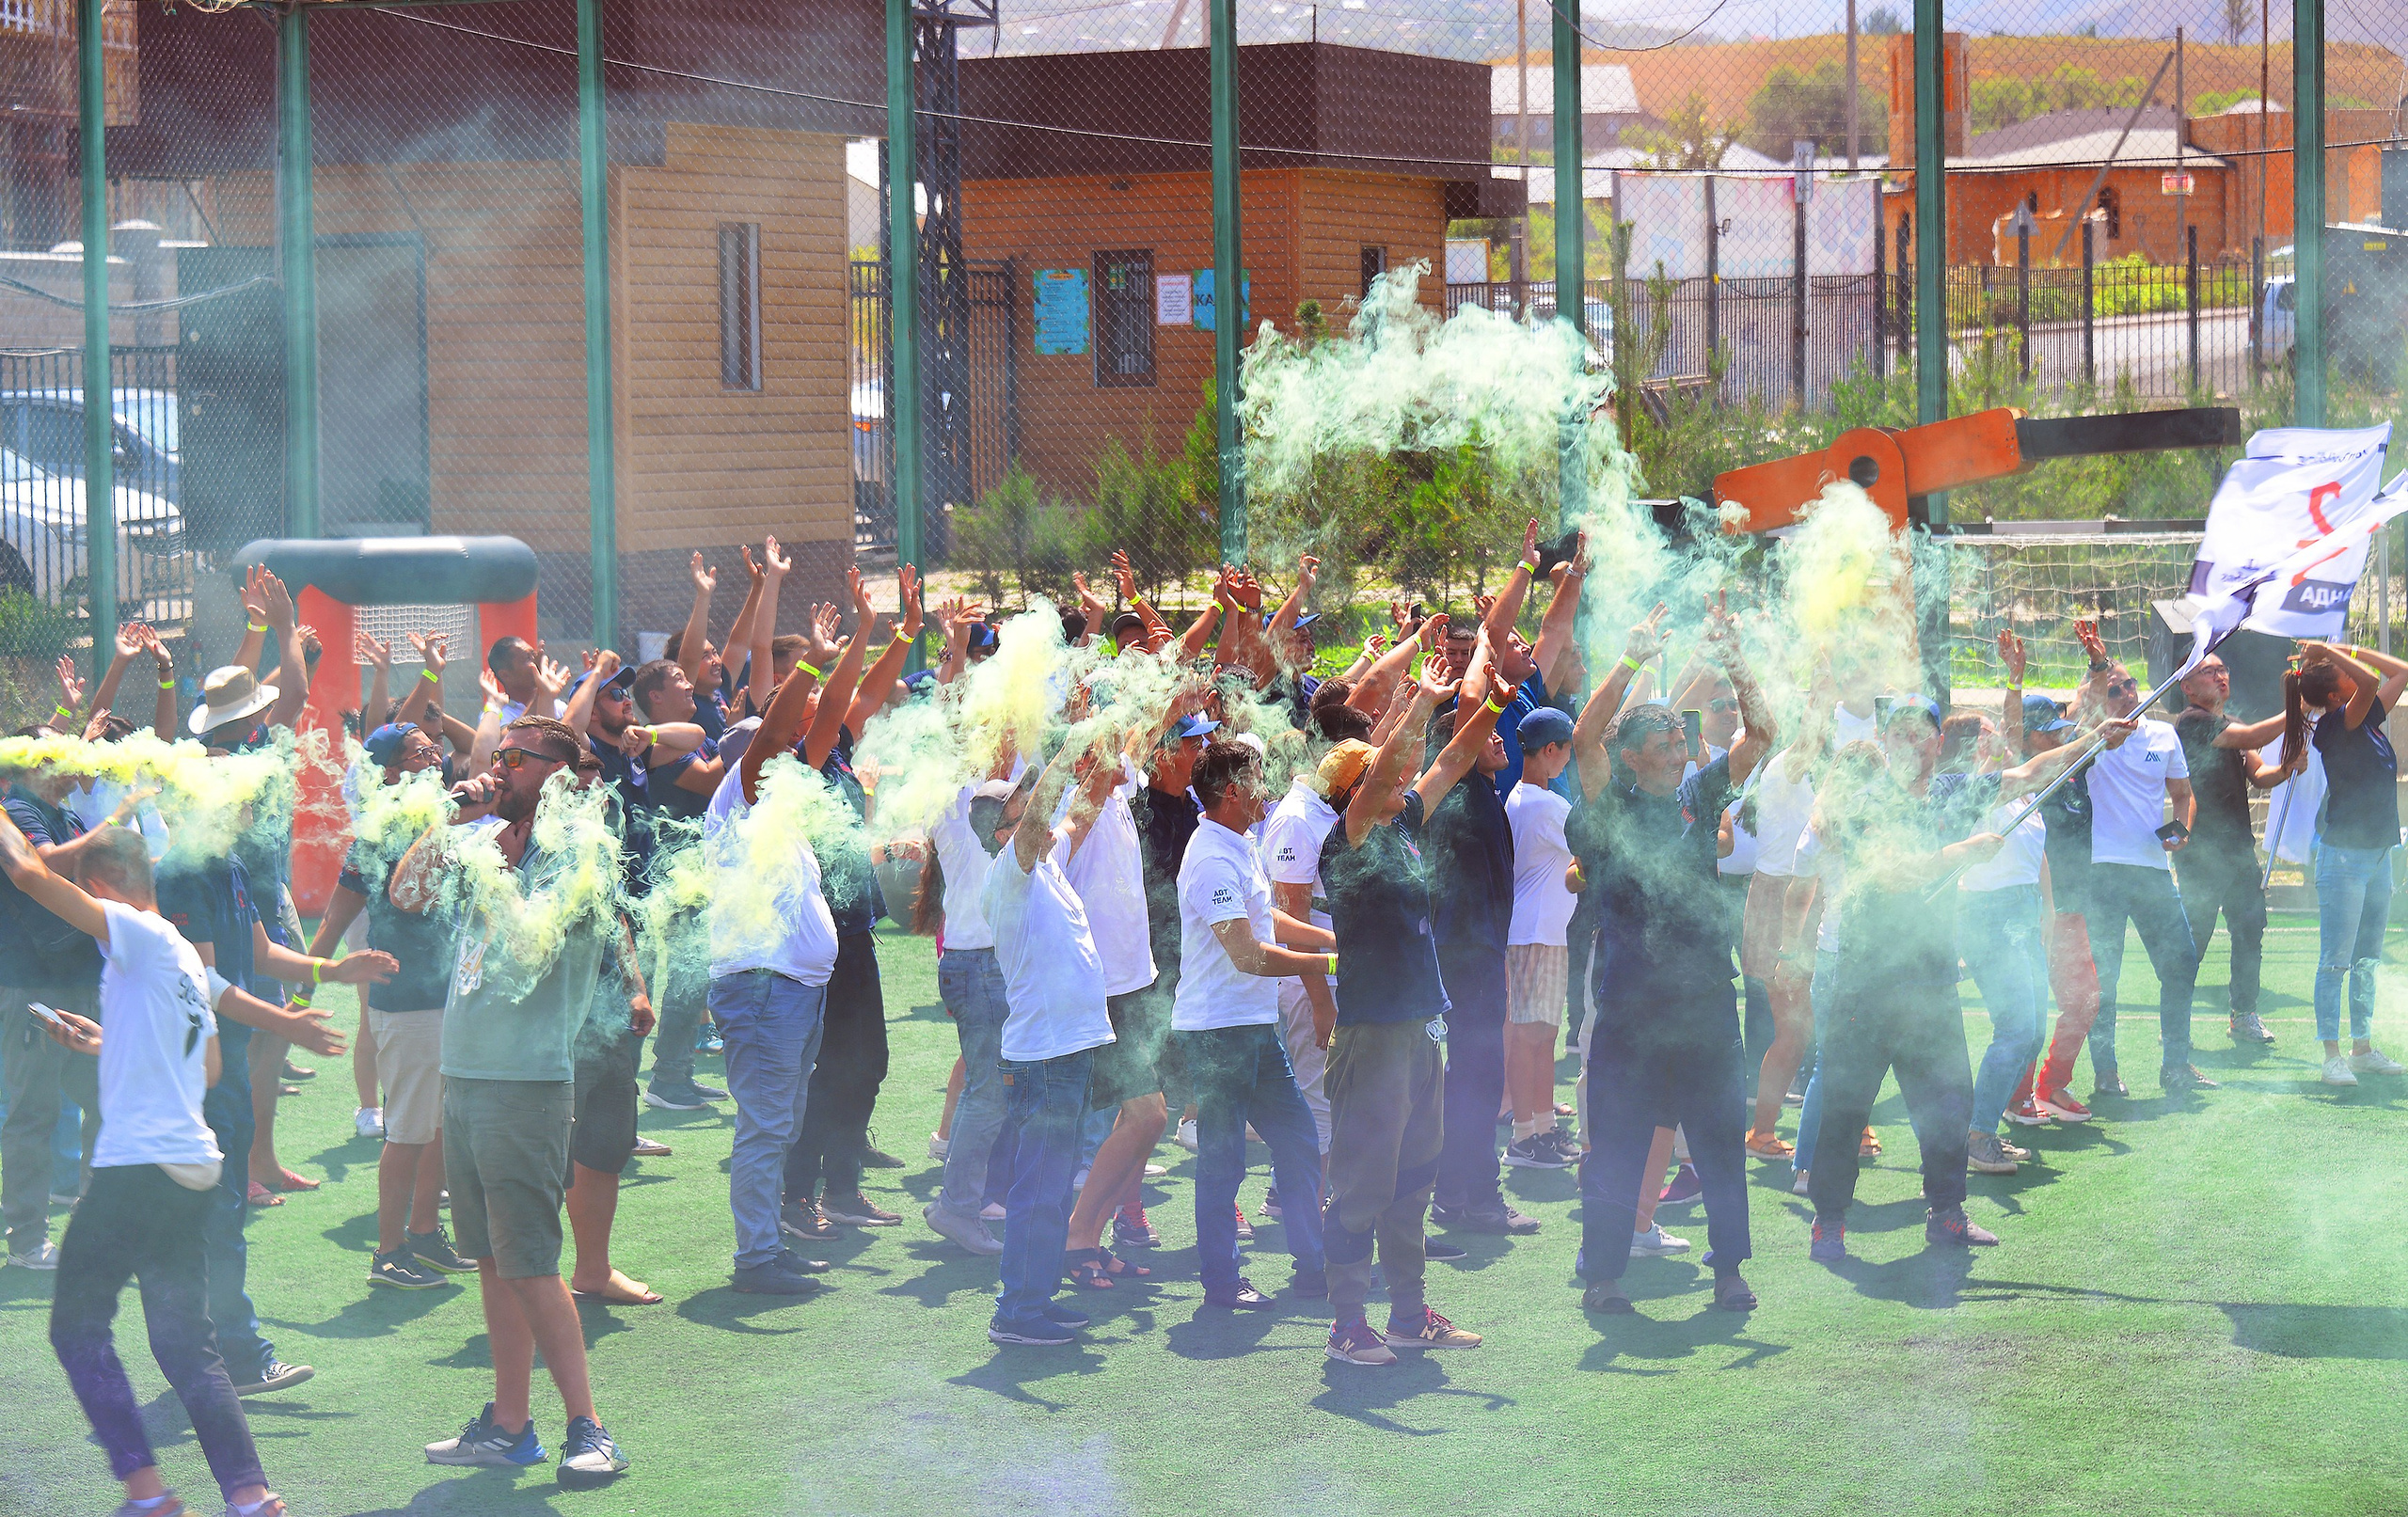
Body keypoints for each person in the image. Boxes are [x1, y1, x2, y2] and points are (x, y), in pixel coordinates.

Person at [0, 818, 290, 1517]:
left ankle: (148, 1493)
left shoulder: (135, 930)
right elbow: (210, 1063)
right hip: (191, 1170)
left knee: (75, 1327)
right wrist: (113, 1041)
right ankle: (251, 1497)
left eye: (88, 898)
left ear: (103, 889)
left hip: (141, 1169)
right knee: (187, 1344)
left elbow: (29, 875)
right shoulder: (183, 954)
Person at [397, 715, 631, 1488]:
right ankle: (508, 1424)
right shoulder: (484, 842)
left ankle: (589, 1427)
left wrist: (490, 860)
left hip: (525, 1085)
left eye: (513, 759)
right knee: (493, 1260)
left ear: (556, 776)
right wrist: (448, 820)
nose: (495, 769)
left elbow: (532, 946)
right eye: (492, 756)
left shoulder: (576, 856)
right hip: (465, 1078)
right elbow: (404, 889)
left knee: (531, 1262)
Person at [1803, 697, 2120, 1262]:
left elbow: (2028, 773)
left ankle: (1947, 1212)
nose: (1909, 743)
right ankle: (1829, 1222)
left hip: (1929, 978)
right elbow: (1892, 872)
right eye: (1897, 734)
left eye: (1919, 733)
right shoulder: (1866, 800)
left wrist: (2095, 738)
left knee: (1947, 1101)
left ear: (1933, 741)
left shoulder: (1952, 791)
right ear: (1886, 740)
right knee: (1847, 1105)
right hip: (1865, 979)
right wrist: (1962, 852)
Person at [1567, 602, 1772, 1315]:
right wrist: (1628, 661)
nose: (1681, 742)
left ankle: (1730, 1270)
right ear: (1631, 756)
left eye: (1680, 733)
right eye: (1664, 735)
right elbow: (1583, 734)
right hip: (1630, 1006)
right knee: (1618, 1144)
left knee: (1720, 1140)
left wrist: (1736, 654)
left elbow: (1762, 732)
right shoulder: (1607, 803)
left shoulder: (1698, 793)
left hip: (1708, 1005)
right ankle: (1604, 1275)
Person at [1318, 625, 1500, 1367]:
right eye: (1387, 773)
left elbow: (1456, 755)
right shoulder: (1349, 839)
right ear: (1354, 790)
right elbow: (1399, 761)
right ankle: (1346, 1324)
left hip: (1422, 1029)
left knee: (1415, 1176)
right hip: (1375, 1036)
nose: (1406, 775)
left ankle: (1405, 1313)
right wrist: (1421, 700)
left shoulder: (1404, 826)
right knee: (1363, 1184)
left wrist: (1489, 689)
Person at [699, 607, 840, 1295]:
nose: (793, 754)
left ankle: (767, 1245)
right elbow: (779, 734)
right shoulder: (741, 792)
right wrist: (808, 660)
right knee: (763, 1127)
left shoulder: (777, 812)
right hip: (762, 991)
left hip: (788, 991)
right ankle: (756, 1259)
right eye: (779, 748)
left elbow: (826, 722)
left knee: (777, 1125)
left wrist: (875, 639)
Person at [305, 722, 472, 1291]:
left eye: (434, 746)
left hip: (445, 995)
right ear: (393, 771)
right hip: (407, 1002)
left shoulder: (439, 821)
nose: (435, 755)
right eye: (420, 750)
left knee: (439, 1125)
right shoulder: (384, 833)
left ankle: (425, 1234)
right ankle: (389, 1252)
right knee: (406, 1131)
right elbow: (334, 917)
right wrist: (303, 989)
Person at [1174, 740, 1333, 1308]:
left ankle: (1313, 1263)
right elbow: (1247, 953)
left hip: (1252, 1026)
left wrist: (1331, 940)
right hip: (1221, 1033)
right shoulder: (1213, 856)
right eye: (1258, 780)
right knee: (1224, 1158)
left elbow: (1266, 917)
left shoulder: (1237, 842)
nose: (1267, 789)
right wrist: (1324, 964)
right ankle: (1222, 1282)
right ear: (1233, 792)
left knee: (1297, 1139)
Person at [980, 759, 1117, 1347]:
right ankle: (1017, 1311)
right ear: (1002, 835)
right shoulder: (1007, 875)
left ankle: (1035, 1298)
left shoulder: (1044, 868)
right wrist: (1068, 756)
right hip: (1044, 1059)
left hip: (1066, 1052)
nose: (1041, 821)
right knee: (1038, 1189)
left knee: (1054, 1186)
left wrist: (1107, 744)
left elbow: (1079, 814)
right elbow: (1047, 815)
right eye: (1021, 815)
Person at [1426, 631, 1545, 1236]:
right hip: (1467, 954)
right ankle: (1467, 1197)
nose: (1498, 736)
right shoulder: (1454, 793)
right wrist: (1482, 645)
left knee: (1474, 1075)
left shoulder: (1478, 790)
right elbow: (1474, 708)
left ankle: (1463, 1192)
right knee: (1475, 1075)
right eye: (1484, 732)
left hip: (1477, 950)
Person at [1057, 724, 1170, 1290]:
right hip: (1099, 988)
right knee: (1145, 1115)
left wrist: (1169, 698)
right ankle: (1076, 1237)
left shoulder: (1120, 789)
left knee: (1146, 1119)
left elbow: (1141, 731)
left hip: (1131, 983)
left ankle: (1089, 1236)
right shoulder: (1072, 806)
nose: (1129, 753)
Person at [2078, 655, 2208, 1097]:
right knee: (2105, 978)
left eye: (2130, 683)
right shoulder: (2089, 737)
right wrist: (2098, 672)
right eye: (2115, 689)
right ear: (2098, 696)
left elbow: (2183, 794)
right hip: (2104, 873)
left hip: (2153, 870)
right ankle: (2106, 1073)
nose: (2128, 692)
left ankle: (2176, 1064)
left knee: (2182, 964)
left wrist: (2182, 828)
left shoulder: (2164, 733)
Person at [2283, 643, 2408, 1085]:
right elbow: (2373, 680)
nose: (2355, 678)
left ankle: (2362, 1047)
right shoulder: (2336, 725)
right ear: (2337, 697)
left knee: (2367, 958)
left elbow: (2402, 672)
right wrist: (2331, 654)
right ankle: (2331, 1055)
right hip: (2344, 860)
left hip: (2377, 856)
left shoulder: (2365, 718)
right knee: (2335, 960)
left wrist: (2343, 649)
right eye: (2344, 677)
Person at [0, 754, 106, 1268]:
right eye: (60, 758)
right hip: (33, 987)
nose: (76, 766)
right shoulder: (17, 810)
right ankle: (26, 1240)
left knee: (107, 1103)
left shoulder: (65, 812)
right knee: (33, 1113)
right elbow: (46, 865)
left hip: (79, 979)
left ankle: (94, 1224)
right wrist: (118, 819)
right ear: (33, 768)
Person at [2172, 652, 2291, 1047]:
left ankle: (2244, 1016)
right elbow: (2256, 737)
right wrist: (2299, 704)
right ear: (2187, 687)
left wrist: (2288, 769)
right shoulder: (2191, 722)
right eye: (2209, 672)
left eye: (2223, 669)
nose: (2220, 676)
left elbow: (2260, 774)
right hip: (2202, 853)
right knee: (2195, 938)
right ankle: (2175, 1020)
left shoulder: (2231, 724)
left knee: (2248, 933)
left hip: (2239, 850)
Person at [920, 776, 1013, 1256]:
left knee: (994, 1088)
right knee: (988, 1091)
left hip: (981, 961)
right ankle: (957, 1206)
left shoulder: (960, 798)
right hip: (979, 962)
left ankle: (969, 1201)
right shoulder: (955, 799)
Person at [1502, 706, 1580, 1169]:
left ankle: (1542, 1127)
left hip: (1538, 933)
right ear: (1550, 751)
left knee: (1541, 1035)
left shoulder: (1520, 797)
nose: (1568, 762)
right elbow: (1588, 851)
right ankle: (1524, 1135)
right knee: (1532, 1036)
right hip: (1537, 934)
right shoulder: (1546, 806)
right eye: (1567, 753)